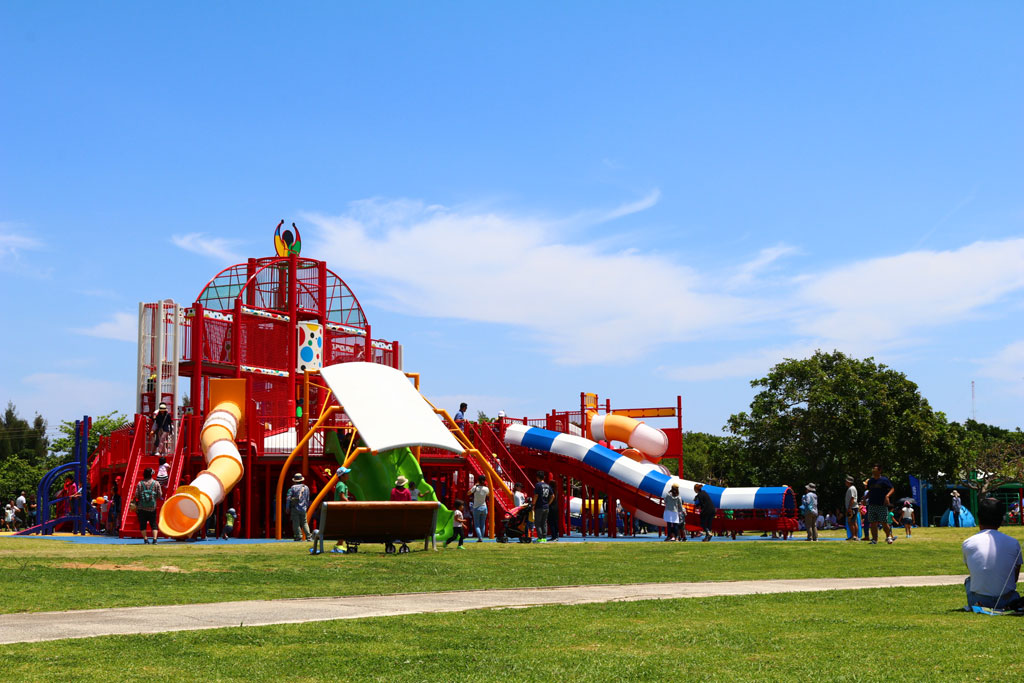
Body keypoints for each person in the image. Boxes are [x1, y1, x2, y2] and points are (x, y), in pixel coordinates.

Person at [962, 497, 1022, 611]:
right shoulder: (1014, 543)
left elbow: (973, 572)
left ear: (979, 518)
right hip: (1008, 599)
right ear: (1001, 519)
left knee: (969, 581)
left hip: (980, 601)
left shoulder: (968, 543)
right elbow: (1014, 577)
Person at [865, 464, 895, 545]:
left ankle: (888, 537)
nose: (873, 470)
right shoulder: (870, 481)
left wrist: (887, 496)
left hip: (882, 504)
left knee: (884, 522)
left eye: (874, 469)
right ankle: (874, 540)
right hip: (872, 504)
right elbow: (870, 491)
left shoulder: (884, 480)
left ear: (879, 470)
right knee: (873, 523)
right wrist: (864, 498)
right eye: (873, 469)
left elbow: (892, 489)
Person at [133, 467, 162, 544]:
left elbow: (137, 495)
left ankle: (146, 540)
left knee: (143, 524)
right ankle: (155, 540)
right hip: (152, 507)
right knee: (153, 524)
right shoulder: (156, 483)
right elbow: (160, 494)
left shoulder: (140, 483)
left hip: (142, 507)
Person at [286, 472, 311, 542]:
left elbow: (288, 498)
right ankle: (308, 536)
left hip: (295, 507)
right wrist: (306, 506)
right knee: (304, 522)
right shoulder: (306, 487)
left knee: (296, 522)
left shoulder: (293, 487)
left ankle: (298, 536)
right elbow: (307, 498)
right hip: (303, 508)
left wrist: (287, 507)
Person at [531, 471, 552, 543]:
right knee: (544, 523)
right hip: (546, 506)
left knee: (538, 523)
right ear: (544, 477)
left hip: (539, 506)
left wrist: (533, 504)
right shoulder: (548, 486)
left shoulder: (538, 485)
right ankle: (544, 538)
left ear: (537, 477)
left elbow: (536, 495)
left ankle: (540, 538)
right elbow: (552, 496)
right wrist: (548, 503)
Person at [469, 478, 489, 542]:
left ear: (478, 481)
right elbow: (489, 495)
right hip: (484, 506)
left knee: (477, 524)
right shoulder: (486, 488)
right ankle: (481, 537)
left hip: (476, 507)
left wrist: (475, 485)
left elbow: (468, 493)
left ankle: (480, 538)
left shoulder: (475, 488)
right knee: (483, 524)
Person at [844, 475, 860, 541]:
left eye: (846, 481)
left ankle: (854, 536)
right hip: (852, 507)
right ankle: (854, 536)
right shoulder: (851, 488)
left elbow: (852, 498)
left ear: (849, 482)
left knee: (851, 522)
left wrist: (849, 508)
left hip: (852, 507)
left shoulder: (851, 488)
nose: (845, 482)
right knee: (853, 522)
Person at [547, 473, 560, 541]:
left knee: (551, 522)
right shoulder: (556, 491)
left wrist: (548, 504)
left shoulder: (550, 490)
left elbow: (552, 497)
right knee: (555, 522)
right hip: (556, 507)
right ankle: (556, 535)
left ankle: (553, 536)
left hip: (551, 507)